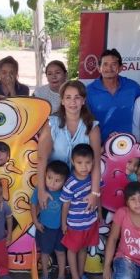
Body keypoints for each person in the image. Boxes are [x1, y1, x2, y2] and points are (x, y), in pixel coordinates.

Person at [37, 80, 101, 210]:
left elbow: (96, 162)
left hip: (81, 188)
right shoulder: (51, 124)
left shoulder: (92, 127)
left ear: (83, 101)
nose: (73, 102)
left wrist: (94, 193)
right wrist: (41, 190)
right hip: (53, 185)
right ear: (62, 101)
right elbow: (42, 158)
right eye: (68, 97)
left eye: (77, 97)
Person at [60, 144, 102, 279]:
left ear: (93, 162)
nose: (84, 167)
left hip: (90, 222)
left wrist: (100, 214)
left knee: (83, 249)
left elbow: (98, 196)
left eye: (88, 163)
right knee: (73, 250)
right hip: (75, 225)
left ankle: (82, 274)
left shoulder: (94, 178)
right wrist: (64, 223)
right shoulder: (70, 183)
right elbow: (65, 205)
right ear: (72, 161)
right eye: (79, 163)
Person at [87, 49, 140, 142]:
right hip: (100, 147)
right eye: (105, 64)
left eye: (113, 64)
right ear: (99, 68)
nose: (109, 68)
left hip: (130, 146)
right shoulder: (89, 91)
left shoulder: (132, 87)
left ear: (121, 68)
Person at [30, 160, 69, 279]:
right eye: (49, 178)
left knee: (60, 252)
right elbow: (33, 204)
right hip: (44, 228)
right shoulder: (40, 189)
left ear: (65, 181)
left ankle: (61, 277)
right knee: (45, 253)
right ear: (45, 175)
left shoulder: (65, 193)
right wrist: (35, 221)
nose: (52, 183)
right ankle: (45, 275)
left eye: (57, 180)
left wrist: (64, 225)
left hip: (59, 229)